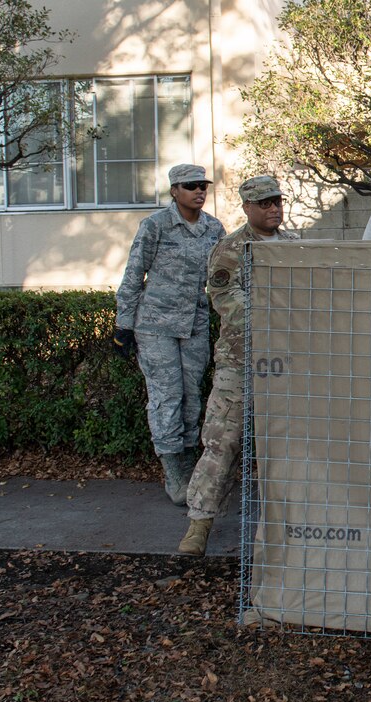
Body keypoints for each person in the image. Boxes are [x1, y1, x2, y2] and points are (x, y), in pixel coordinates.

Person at [178, 176, 299, 556]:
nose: (273, 208)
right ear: (246, 207)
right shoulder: (230, 249)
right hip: (241, 363)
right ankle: (199, 525)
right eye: (264, 203)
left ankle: (287, 531)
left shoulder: (298, 247)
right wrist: (278, 321)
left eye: (277, 201)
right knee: (222, 442)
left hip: (290, 364)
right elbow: (226, 300)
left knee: (290, 447)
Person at [113, 164, 226, 505]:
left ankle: (190, 465)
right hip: (156, 326)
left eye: (203, 186)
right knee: (167, 396)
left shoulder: (213, 228)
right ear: (174, 190)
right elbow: (134, 274)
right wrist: (123, 324)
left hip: (193, 324)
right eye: (191, 186)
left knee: (192, 396)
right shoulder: (155, 226)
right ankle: (173, 471)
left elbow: (224, 274)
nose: (199, 191)